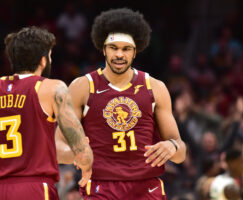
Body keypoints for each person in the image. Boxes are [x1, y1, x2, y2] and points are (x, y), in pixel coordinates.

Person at [0, 26, 93, 200]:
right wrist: (86, 158)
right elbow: (82, 154)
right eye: (50, 55)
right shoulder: (53, 88)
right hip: (34, 190)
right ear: (43, 60)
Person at [56, 8, 186, 199]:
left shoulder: (155, 87)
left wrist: (172, 147)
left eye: (126, 49)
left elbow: (180, 152)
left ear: (135, 52)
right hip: (101, 186)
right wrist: (76, 154)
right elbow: (58, 146)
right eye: (113, 47)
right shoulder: (82, 87)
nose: (119, 54)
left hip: (146, 187)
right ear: (103, 48)